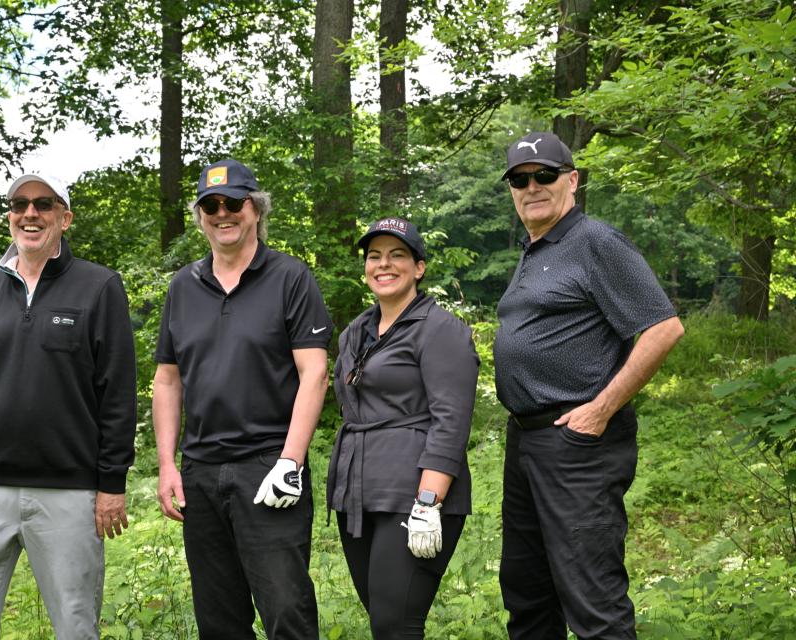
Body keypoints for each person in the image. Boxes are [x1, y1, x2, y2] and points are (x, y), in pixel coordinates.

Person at [494, 132, 685, 639]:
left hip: (577, 444)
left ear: (572, 180)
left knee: (592, 597)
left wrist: (599, 410)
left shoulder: (594, 240)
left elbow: (663, 327)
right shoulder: (536, 250)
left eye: (544, 175)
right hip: (527, 442)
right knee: (527, 590)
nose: (531, 186)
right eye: (519, 179)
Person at [0, 172, 137, 640]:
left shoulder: (99, 287)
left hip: (68, 494)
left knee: (75, 624)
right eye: (19, 204)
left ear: (64, 218)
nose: (30, 213)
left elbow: (117, 393)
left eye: (44, 204)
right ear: (9, 216)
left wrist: (111, 483)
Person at [152, 159, 332, 640]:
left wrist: (290, 462)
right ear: (200, 215)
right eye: (211, 205)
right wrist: (168, 465)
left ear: (255, 209)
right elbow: (167, 380)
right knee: (219, 620)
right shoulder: (183, 287)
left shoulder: (290, 278)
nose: (222, 213)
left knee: (287, 610)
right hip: (201, 473)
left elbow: (314, 372)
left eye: (234, 202)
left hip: (268, 467)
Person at [327, 217, 480, 639]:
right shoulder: (355, 331)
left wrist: (428, 502)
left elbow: (451, 420)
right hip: (358, 492)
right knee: (382, 618)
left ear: (419, 267)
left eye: (397, 255)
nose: (384, 265)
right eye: (374, 256)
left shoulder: (441, 330)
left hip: (413, 493)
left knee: (397, 623)